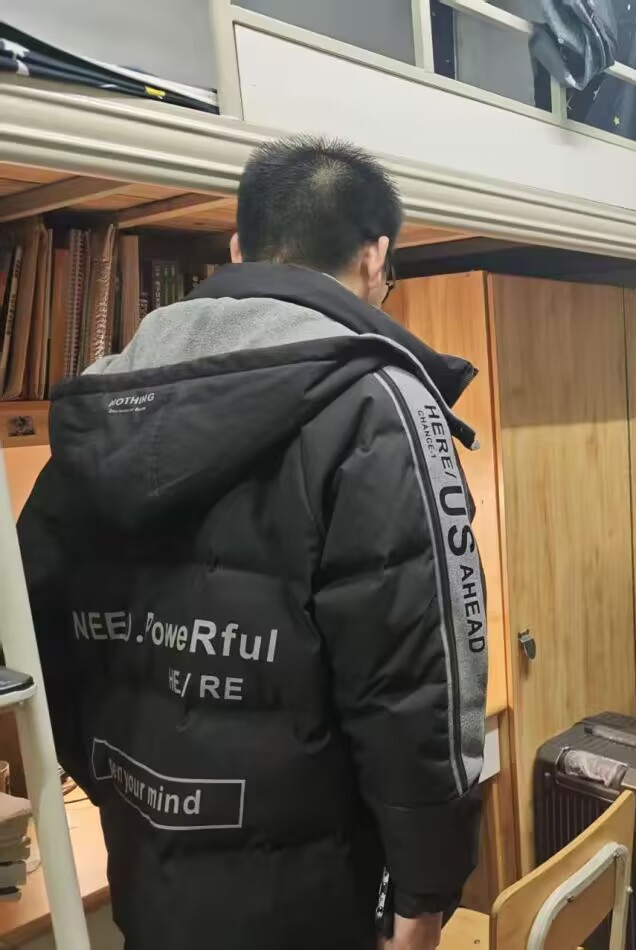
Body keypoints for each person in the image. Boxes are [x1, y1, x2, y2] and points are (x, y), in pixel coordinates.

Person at [17, 136, 488, 950]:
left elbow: (35, 629)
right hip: (313, 896)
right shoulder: (377, 399)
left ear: (237, 248)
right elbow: (419, 679)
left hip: (148, 876)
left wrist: (116, 787)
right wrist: (426, 889)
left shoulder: (104, 395)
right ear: (375, 257)